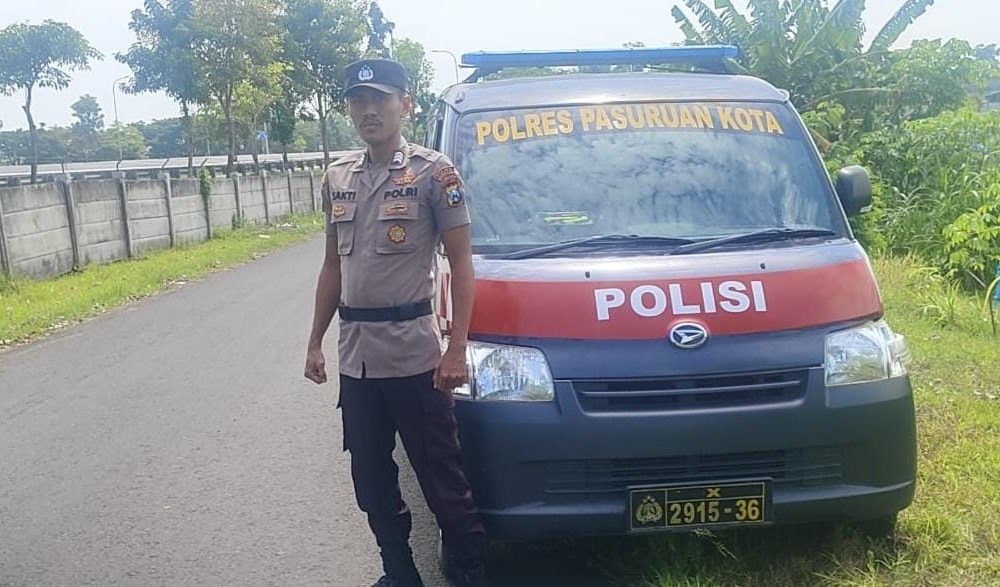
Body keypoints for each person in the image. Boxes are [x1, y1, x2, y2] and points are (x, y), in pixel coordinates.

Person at [303, 58, 487, 587]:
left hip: (415, 357)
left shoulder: (435, 173)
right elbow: (332, 267)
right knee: (370, 479)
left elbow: (462, 264)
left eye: (379, 99)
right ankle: (400, 572)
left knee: (442, 481)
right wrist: (314, 342)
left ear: (404, 104)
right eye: (358, 101)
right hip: (357, 358)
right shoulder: (337, 177)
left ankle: (472, 575)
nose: (368, 111)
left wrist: (456, 349)